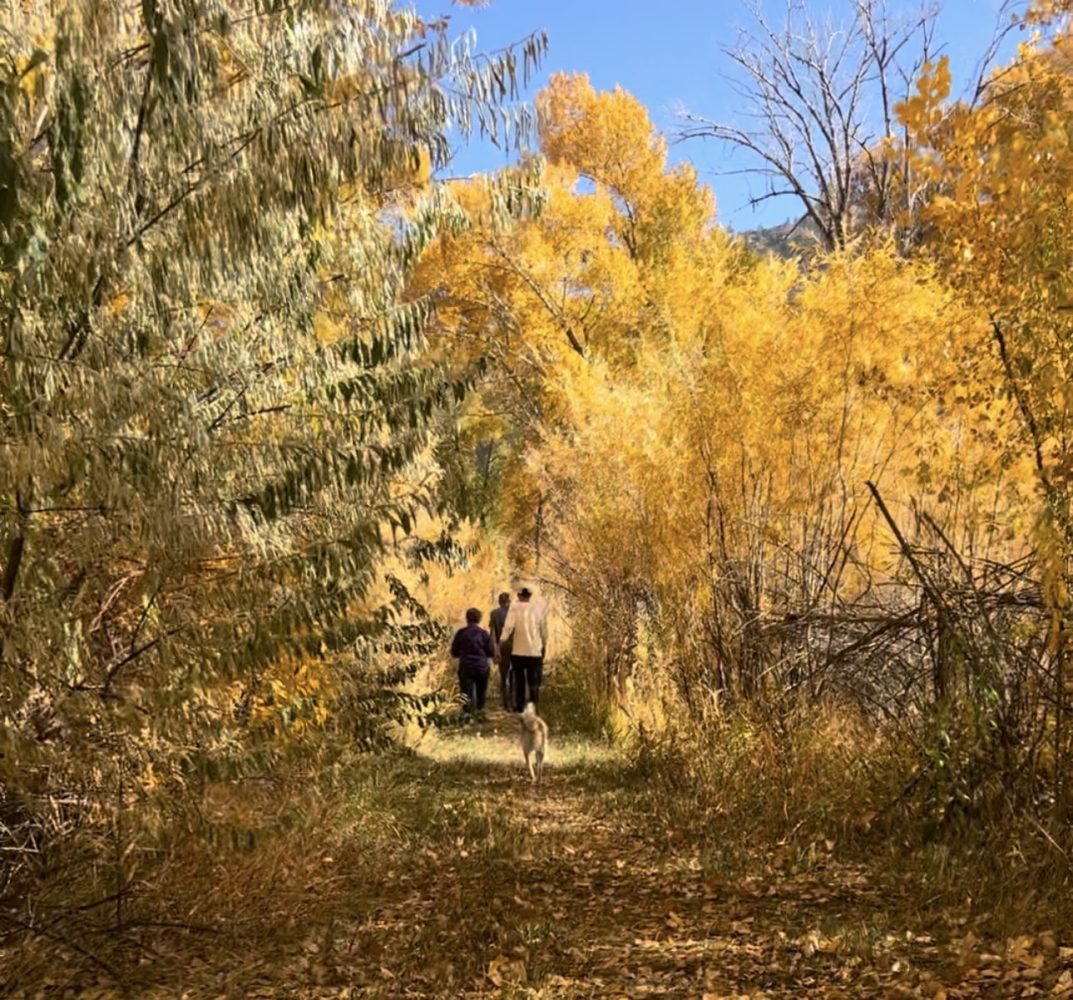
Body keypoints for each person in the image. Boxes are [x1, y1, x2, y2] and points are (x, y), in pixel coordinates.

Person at [500, 586, 548, 712]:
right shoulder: (538, 609)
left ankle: (520, 706)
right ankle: (533, 705)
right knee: (533, 680)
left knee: (519, 680)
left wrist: (502, 640)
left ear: (519, 595)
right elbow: (543, 629)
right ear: (530, 596)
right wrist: (544, 643)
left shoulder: (514, 608)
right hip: (534, 650)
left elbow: (508, 627)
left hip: (518, 650)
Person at [450, 608, 494, 714]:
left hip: (466, 667)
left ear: (467, 619)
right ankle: (480, 711)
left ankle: (467, 714)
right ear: (479, 619)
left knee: (466, 693)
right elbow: (490, 652)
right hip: (481, 667)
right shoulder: (483, 634)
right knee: (481, 692)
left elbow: (454, 652)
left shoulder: (461, 633)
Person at [488, 592, 512, 710]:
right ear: (509, 601)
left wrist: (494, 649)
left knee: (504, 675)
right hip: (516, 646)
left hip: (502, 647)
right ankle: (514, 700)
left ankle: (505, 702)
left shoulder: (494, 614)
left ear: (499, 602)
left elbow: (492, 634)